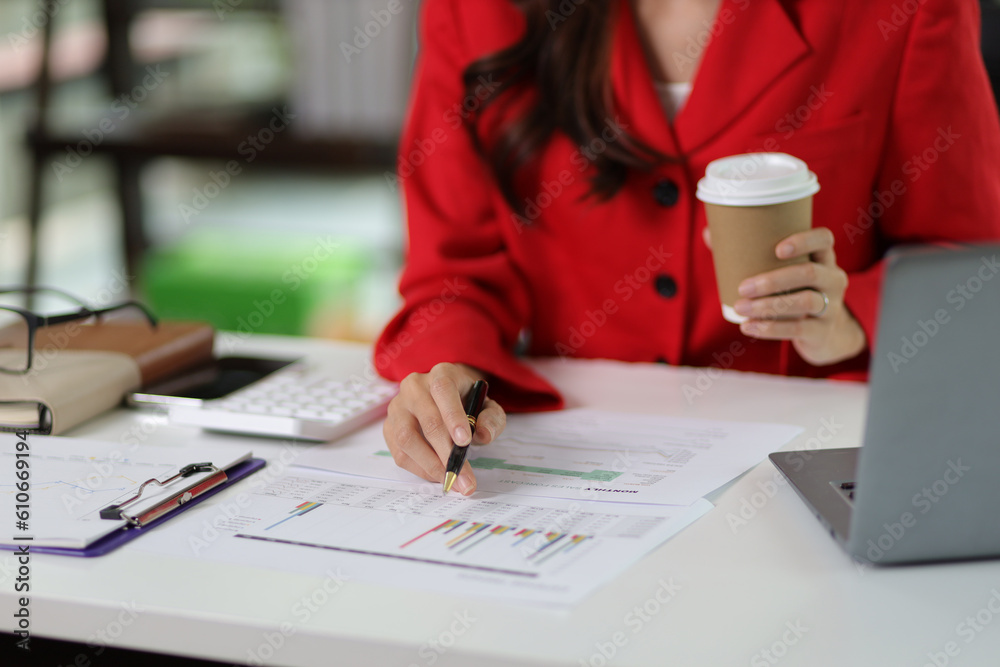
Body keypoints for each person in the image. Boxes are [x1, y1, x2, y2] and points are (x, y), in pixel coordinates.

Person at [374, 0, 1000, 495]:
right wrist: (449, 369)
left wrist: (853, 320)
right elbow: (454, 273)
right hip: (572, 466)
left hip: (805, 459)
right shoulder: (476, 10)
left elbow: (966, 267)